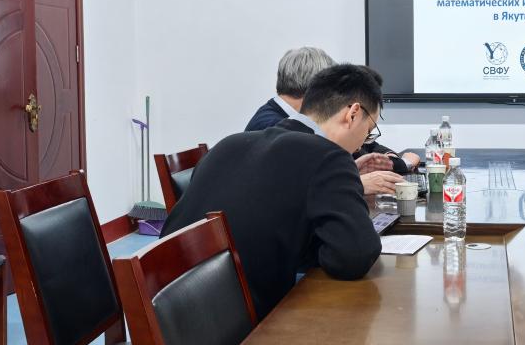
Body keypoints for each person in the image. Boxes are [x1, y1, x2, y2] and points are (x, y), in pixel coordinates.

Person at [162, 64, 386, 319]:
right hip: (240, 326)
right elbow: (355, 256)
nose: (362, 145)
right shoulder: (328, 157)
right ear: (353, 114)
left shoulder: (229, 143)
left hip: (168, 311)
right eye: (369, 132)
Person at [245, 46, 412, 192]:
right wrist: (356, 183)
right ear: (317, 85)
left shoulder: (295, 122)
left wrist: (353, 170)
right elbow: (292, 187)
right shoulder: (271, 127)